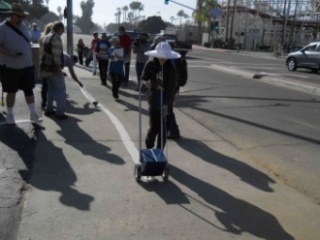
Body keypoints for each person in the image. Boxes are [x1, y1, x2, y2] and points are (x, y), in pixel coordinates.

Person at [0, 3, 42, 125]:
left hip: (27, 65)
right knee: (11, 91)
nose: (21, 19)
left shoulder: (23, 27)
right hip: (10, 66)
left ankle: (33, 113)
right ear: (12, 15)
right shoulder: (2, 28)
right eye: (19, 16)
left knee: (29, 90)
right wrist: (9, 53)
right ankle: (10, 114)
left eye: (22, 16)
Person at [142, 42, 180, 149]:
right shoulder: (150, 65)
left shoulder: (171, 69)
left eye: (165, 56)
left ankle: (159, 154)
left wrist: (167, 104)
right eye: (161, 56)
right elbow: (142, 79)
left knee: (163, 131)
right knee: (154, 128)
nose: (163, 58)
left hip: (166, 104)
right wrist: (145, 84)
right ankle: (149, 148)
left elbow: (172, 89)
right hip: (154, 101)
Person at [40, 21, 68, 120]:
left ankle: (49, 109)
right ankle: (60, 112)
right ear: (60, 29)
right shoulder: (56, 38)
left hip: (45, 67)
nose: (63, 32)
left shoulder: (47, 37)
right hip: (53, 68)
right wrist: (59, 69)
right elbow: (56, 56)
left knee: (51, 89)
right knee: (60, 90)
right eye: (63, 30)